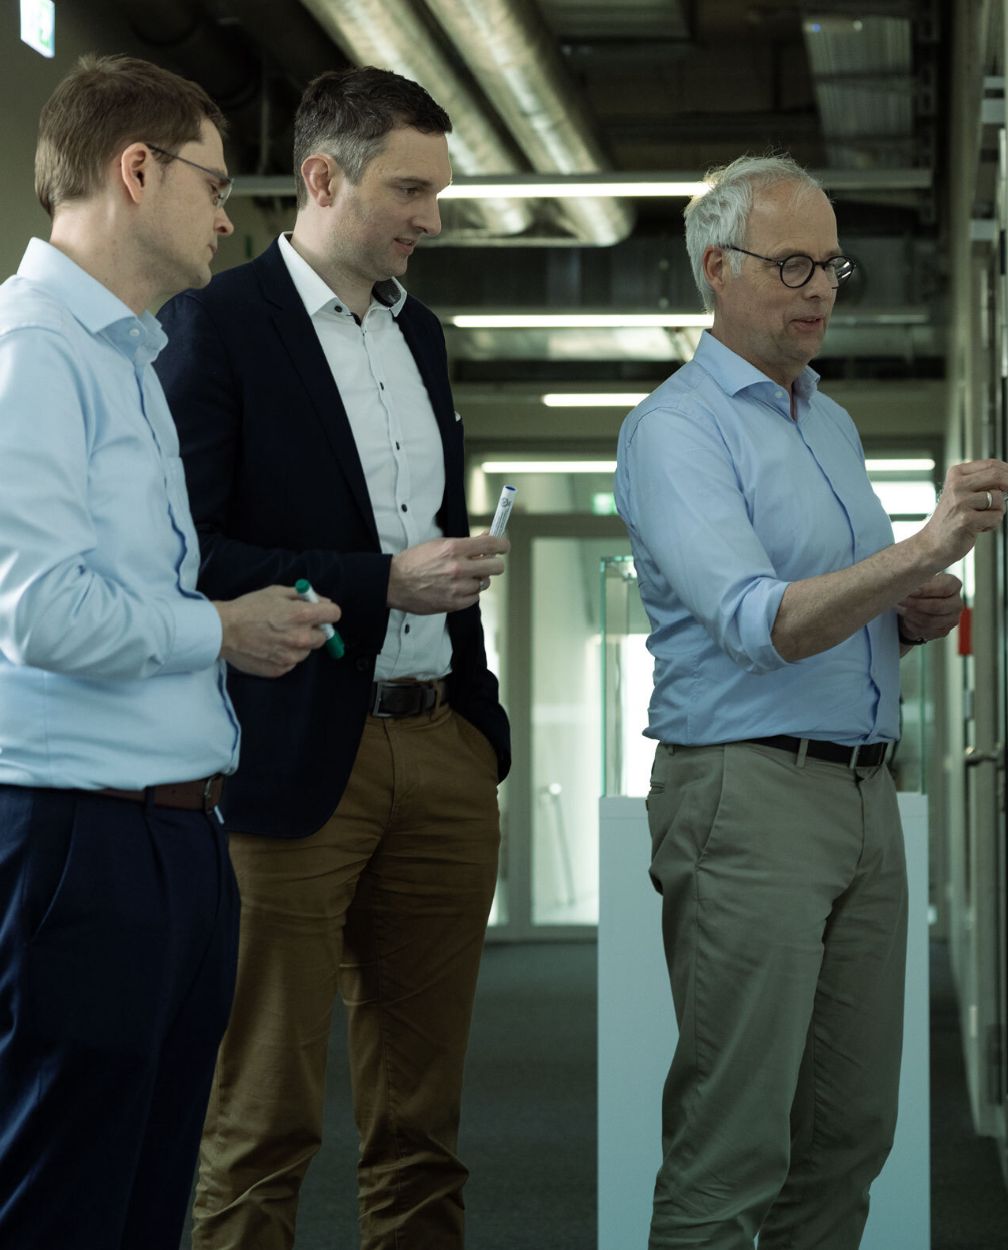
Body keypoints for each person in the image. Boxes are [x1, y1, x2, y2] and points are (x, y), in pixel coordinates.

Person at [614, 153, 1008, 1250]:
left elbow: (837, 606)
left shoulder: (828, 422)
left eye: (832, 265)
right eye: (792, 263)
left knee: (850, 1138)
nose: (819, 288)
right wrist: (923, 546)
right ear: (718, 268)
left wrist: (908, 602)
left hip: (861, 798)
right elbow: (761, 619)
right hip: (745, 795)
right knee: (732, 1146)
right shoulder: (677, 429)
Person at [154, 66, 511, 1250]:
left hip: (439, 749)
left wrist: (480, 716)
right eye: (411, 188)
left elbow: (431, 538)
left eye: (439, 192)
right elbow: (191, 550)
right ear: (322, 178)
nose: (433, 218)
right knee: (261, 1118)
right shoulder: (219, 322)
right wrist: (379, 582)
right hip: (292, 757)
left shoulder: (425, 337)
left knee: (425, 1125)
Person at [0, 54, 339, 1250]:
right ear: (136, 172)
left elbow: (124, 597)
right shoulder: (35, 352)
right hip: (80, 841)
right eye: (213, 181)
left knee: (146, 1195)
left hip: (174, 834)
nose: (227, 215)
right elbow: (39, 609)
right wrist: (218, 626)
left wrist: (234, 638)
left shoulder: (130, 356)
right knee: (66, 1199)